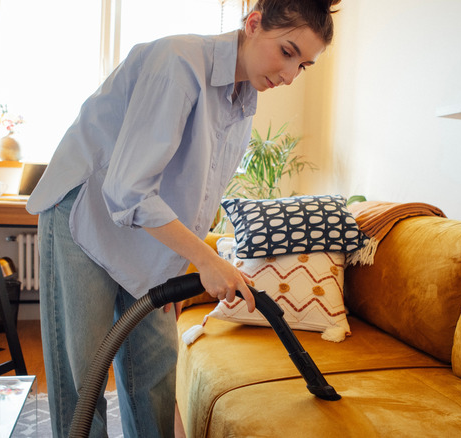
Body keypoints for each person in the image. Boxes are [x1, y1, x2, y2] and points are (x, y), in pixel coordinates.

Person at [26, 0, 340, 436]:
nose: (290, 75)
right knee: (84, 381)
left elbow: (199, 198)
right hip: (87, 217)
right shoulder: (177, 63)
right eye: (287, 52)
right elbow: (126, 188)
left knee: (154, 373)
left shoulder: (244, 102)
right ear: (253, 24)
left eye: (302, 66)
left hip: (146, 235)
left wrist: (172, 270)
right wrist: (207, 262)